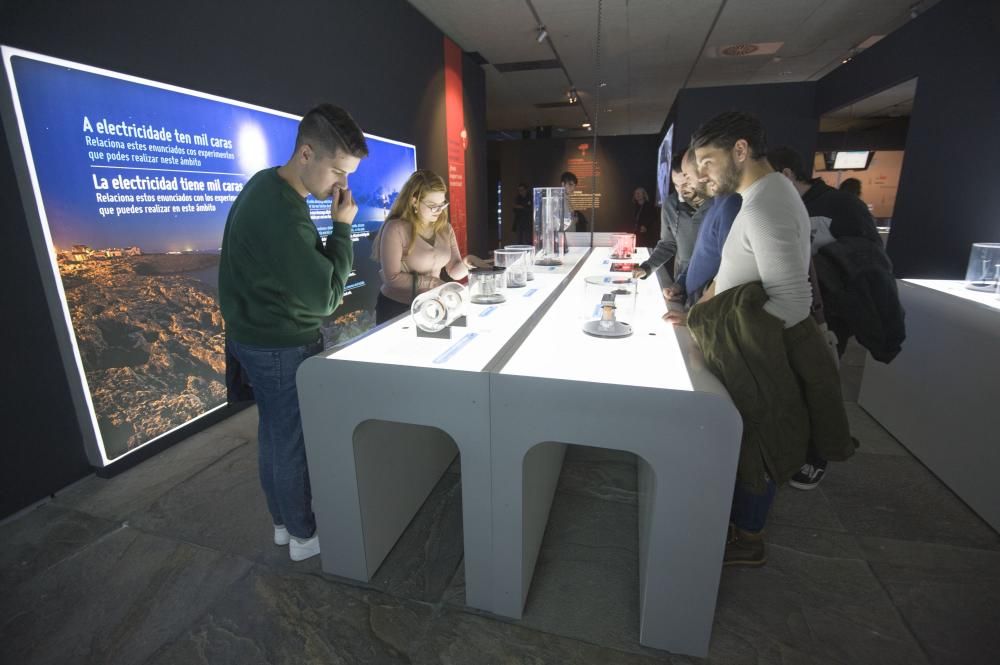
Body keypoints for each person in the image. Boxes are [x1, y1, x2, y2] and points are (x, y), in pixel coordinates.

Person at [684, 111, 854, 568]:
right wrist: (706, 307)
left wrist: (735, 336)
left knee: (755, 441)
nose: (701, 173)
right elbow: (738, 269)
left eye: (707, 161)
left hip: (754, 353)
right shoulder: (765, 193)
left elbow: (793, 302)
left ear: (740, 151)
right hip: (747, 346)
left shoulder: (765, 204)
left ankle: (748, 537)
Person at [219, 103, 368, 562]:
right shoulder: (282, 211)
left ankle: (284, 526)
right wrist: (342, 229)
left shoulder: (270, 187)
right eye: (339, 171)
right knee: (290, 442)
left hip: (258, 340)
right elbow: (325, 298)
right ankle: (304, 537)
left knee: (275, 436)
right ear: (307, 153)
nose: (342, 185)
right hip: (280, 346)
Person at [373, 169, 477, 323]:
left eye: (442, 204)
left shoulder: (445, 228)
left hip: (431, 305)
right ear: (414, 201)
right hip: (397, 308)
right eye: (432, 205)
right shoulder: (396, 228)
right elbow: (392, 278)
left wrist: (468, 262)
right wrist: (433, 283)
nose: (439, 211)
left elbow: (454, 271)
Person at [633, 151, 706, 299]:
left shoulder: (718, 204)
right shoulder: (670, 204)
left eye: (686, 184)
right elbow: (667, 243)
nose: (681, 190)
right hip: (683, 279)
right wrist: (647, 267)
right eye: (676, 185)